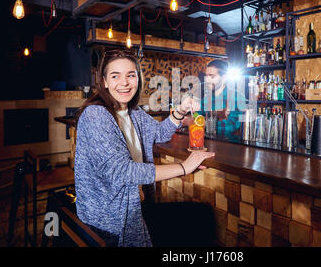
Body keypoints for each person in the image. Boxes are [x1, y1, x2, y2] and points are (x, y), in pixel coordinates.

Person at [74, 50, 215, 247]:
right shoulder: (95, 115)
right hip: (111, 221)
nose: (124, 83)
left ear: (137, 79)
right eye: (115, 76)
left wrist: (179, 112)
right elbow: (123, 171)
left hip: (135, 208)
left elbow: (159, 134)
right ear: (104, 81)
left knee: (201, 216)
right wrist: (184, 167)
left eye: (130, 75)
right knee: (200, 219)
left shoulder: (133, 112)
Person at [199, 59, 242, 137]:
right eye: (206, 76)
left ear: (224, 78)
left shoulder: (236, 97)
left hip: (230, 146)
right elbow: (197, 116)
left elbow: (231, 126)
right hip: (208, 145)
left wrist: (206, 124)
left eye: (211, 76)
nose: (207, 80)